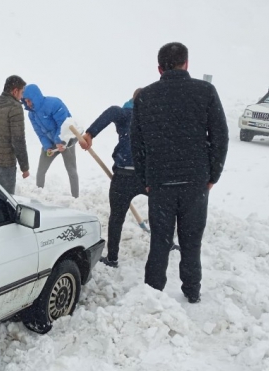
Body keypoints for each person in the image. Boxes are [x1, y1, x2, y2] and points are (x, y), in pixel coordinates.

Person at [130, 42, 228, 303]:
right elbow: (220, 137)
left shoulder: (145, 97)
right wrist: (212, 176)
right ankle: (192, 291)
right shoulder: (205, 91)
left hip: (160, 183)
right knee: (191, 242)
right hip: (195, 182)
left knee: (159, 242)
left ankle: (152, 293)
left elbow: (136, 143)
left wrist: (146, 181)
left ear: (159, 68)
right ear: (186, 63)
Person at [80, 88, 144, 268]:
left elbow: (112, 111)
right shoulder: (153, 115)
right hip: (146, 176)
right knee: (161, 211)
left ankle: (113, 258)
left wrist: (90, 133)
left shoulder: (125, 113)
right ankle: (165, 243)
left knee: (116, 217)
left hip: (125, 174)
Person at [22, 84, 79, 198]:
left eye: (29, 100)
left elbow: (63, 123)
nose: (28, 104)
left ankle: (75, 198)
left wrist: (60, 141)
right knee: (41, 170)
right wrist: (47, 146)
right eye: (26, 101)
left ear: (35, 97)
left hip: (66, 140)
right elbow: (40, 132)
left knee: (71, 169)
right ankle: (39, 195)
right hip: (51, 142)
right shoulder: (31, 114)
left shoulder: (54, 103)